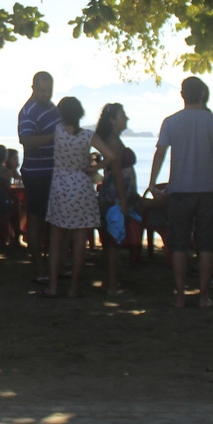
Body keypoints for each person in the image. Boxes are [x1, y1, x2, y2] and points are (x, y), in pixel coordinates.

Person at [149, 76, 213, 308]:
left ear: (183, 95)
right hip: (209, 190)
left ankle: (180, 296)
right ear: (203, 95)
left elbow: (160, 153)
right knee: (207, 244)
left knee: (179, 245)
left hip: (180, 190)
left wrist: (152, 183)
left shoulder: (171, 122)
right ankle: (203, 296)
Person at [44, 97, 100, 297]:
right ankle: (74, 287)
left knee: (56, 239)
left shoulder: (57, 132)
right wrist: (94, 167)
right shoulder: (87, 136)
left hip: (60, 186)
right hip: (81, 187)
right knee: (79, 241)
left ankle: (52, 286)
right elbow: (110, 155)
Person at [17, 72, 60, 277]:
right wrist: (52, 136)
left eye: (49, 90)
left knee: (54, 220)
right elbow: (27, 141)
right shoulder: (28, 112)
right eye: (42, 90)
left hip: (55, 171)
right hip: (36, 174)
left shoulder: (52, 108)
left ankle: (53, 262)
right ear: (33, 88)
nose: (46, 94)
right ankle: (39, 266)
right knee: (36, 219)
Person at [90, 102, 134, 295]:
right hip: (115, 195)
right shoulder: (114, 142)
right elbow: (116, 172)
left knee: (110, 241)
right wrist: (124, 199)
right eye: (122, 115)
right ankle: (111, 284)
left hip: (111, 193)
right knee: (113, 241)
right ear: (113, 119)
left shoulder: (112, 139)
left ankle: (108, 282)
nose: (126, 118)